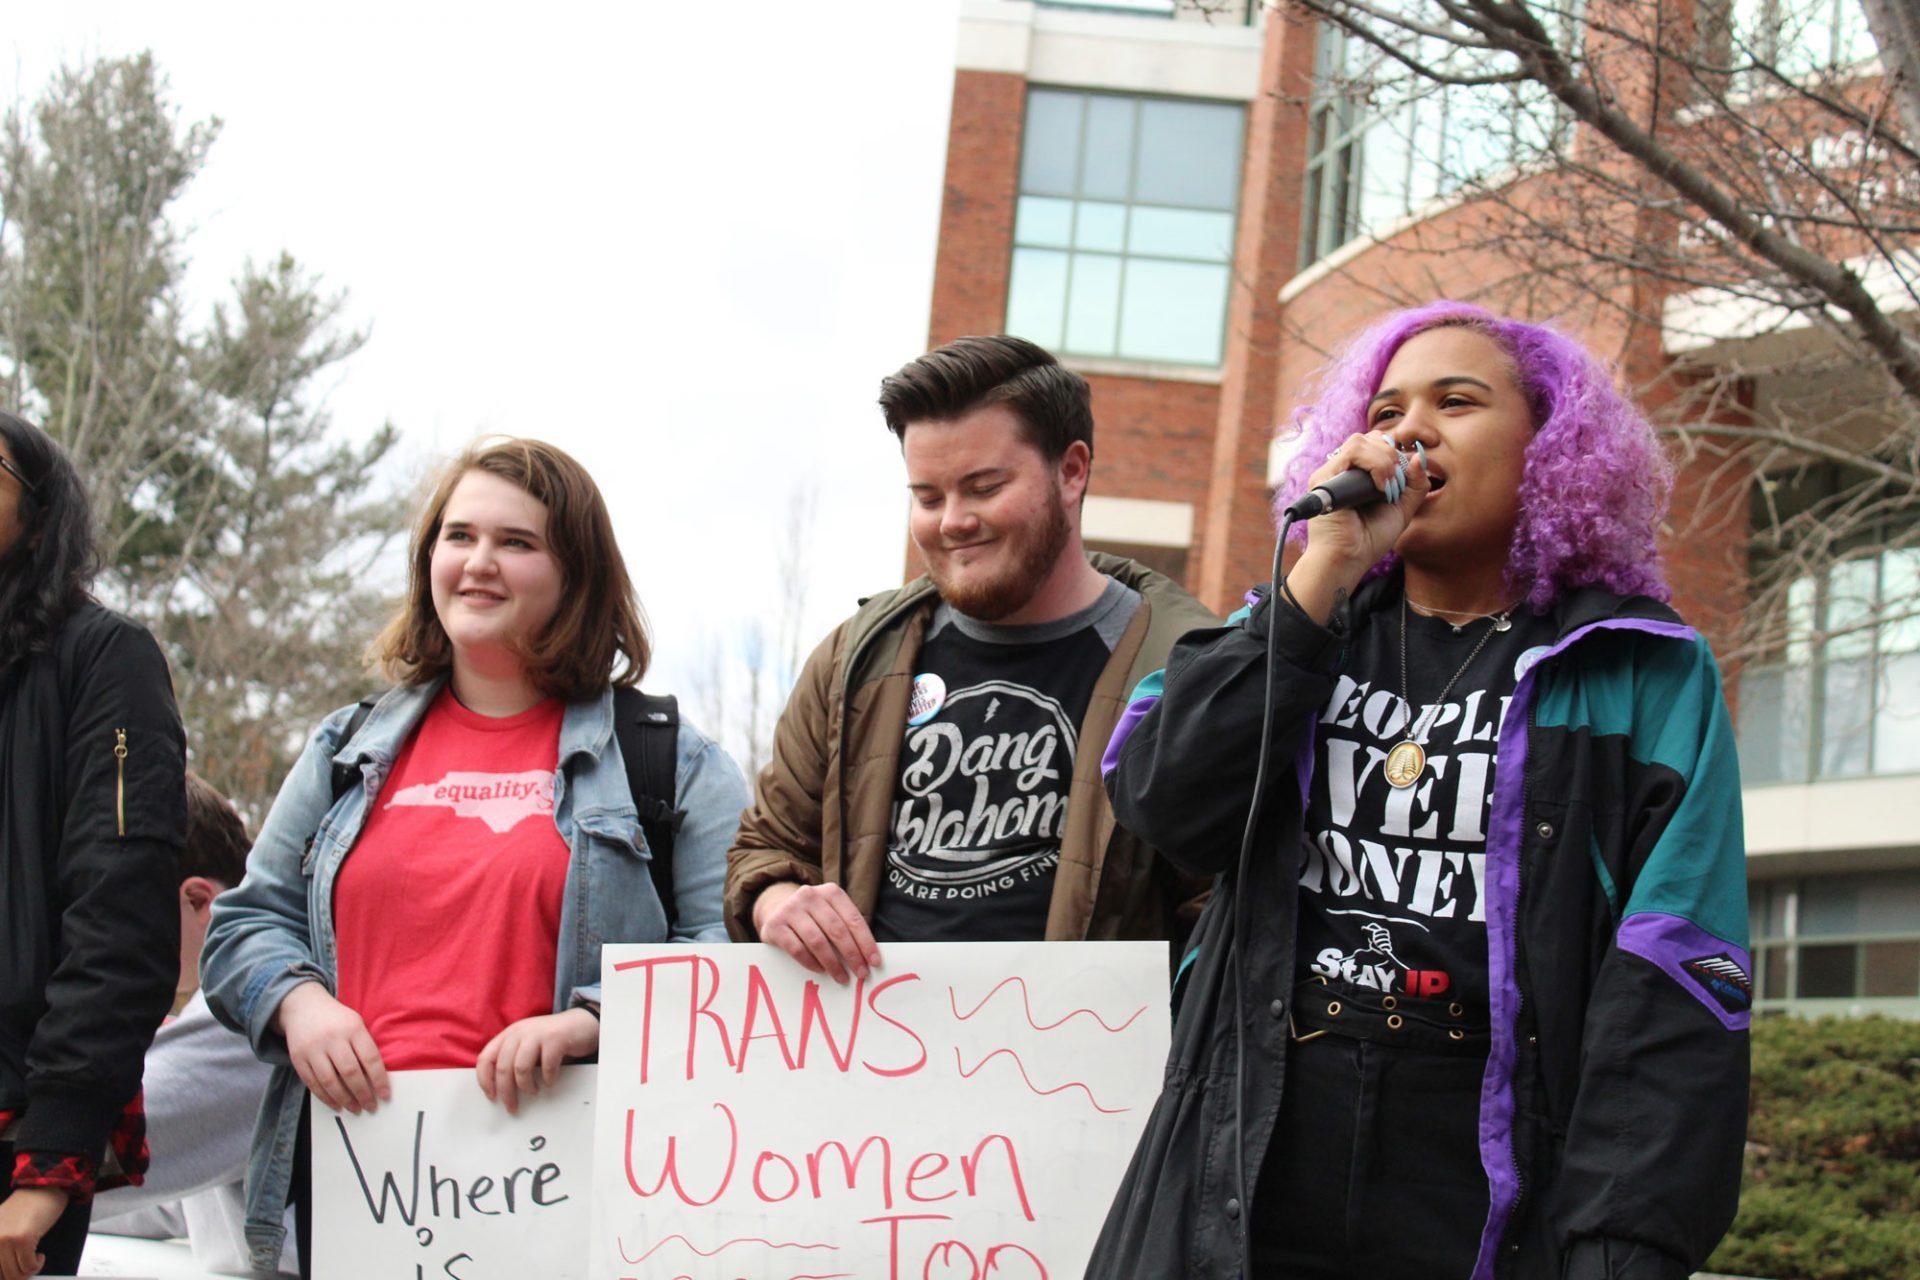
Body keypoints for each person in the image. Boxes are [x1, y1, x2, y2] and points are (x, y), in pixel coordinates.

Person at [1086, 302, 1750, 1280]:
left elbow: (1676, 977)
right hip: (1255, 1178)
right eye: (1388, 408)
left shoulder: (1639, 670)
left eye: (1457, 400)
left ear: (1550, 443)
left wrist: (1619, 1248)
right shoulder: (1302, 623)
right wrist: (1322, 579)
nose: (1409, 429)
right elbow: (1159, 792)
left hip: (1493, 1197)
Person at [201, 437, 748, 1278]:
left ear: (577, 575)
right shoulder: (346, 749)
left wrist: (592, 1021)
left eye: (517, 543)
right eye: (459, 537)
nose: (479, 563)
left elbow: (729, 956)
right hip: (359, 1194)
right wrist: (299, 1005)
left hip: (570, 1199)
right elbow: (245, 924)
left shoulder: (668, 760)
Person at [726, 335, 1217, 976]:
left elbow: (1223, 909)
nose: (952, 521)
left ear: (1072, 471)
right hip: (873, 1062)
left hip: (1085, 1066)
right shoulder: (854, 659)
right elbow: (767, 847)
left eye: (983, 487)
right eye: (928, 497)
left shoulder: (1183, 669)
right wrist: (778, 902)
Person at [0, 412, 185, 1280]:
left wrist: (50, 1167)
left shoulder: (105, 658)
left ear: (38, 516)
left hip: (18, 1127)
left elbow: (121, 910)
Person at [91, 774, 297, 1276]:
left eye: (108, 916)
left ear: (198, 900)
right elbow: (166, 1199)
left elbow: (90, 1153)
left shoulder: (251, 1006)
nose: (92, 947)